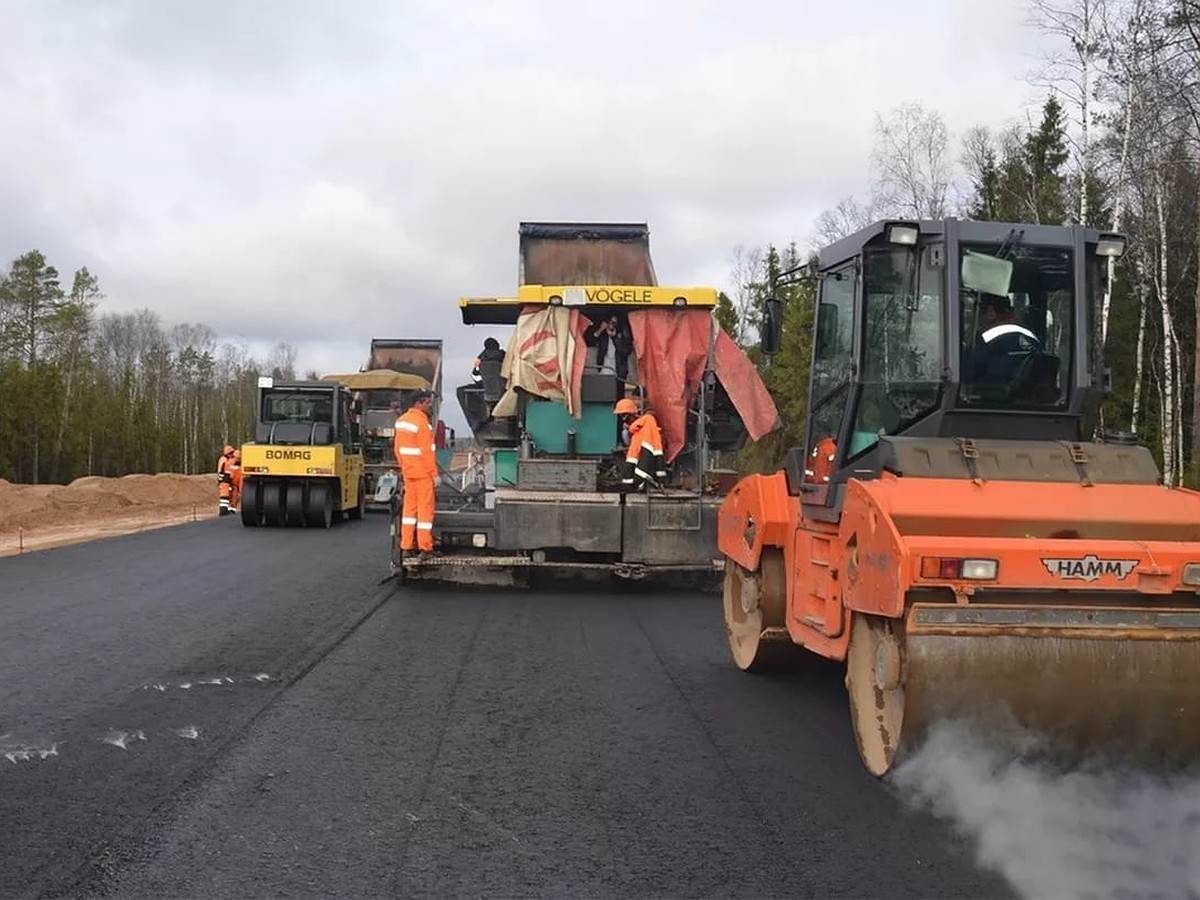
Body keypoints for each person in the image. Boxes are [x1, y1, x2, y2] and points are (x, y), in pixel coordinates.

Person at [393, 389, 438, 559]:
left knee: (409, 511)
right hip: (423, 474)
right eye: (426, 402)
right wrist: (434, 475)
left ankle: (406, 546)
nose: (429, 404)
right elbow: (427, 452)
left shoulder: (401, 421)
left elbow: (397, 449)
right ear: (418, 403)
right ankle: (425, 548)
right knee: (425, 510)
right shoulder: (422, 423)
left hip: (409, 473)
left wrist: (404, 467)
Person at [966, 293, 1041, 384]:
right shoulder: (1031, 337)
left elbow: (968, 378)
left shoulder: (984, 341)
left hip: (992, 396)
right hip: (1034, 397)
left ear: (990, 312)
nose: (976, 319)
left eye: (978, 313)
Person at [614, 397, 666, 490]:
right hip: (644, 449)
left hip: (645, 451)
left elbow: (650, 414)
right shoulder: (641, 422)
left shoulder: (646, 419)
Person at [585, 313, 633, 381]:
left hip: (619, 372)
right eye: (609, 322)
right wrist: (600, 330)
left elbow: (625, 351)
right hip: (604, 370)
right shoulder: (603, 335)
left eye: (613, 323)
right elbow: (589, 342)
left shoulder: (623, 334)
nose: (611, 325)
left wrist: (615, 338)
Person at [216, 445, 235, 516]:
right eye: (231, 453)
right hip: (225, 480)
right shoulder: (224, 460)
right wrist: (222, 481)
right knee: (224, 496)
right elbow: (221, 471)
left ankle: (227, 509)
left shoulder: (226, 460)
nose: (232, 454)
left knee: (229, 495)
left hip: (226, 479)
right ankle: (223, 510)